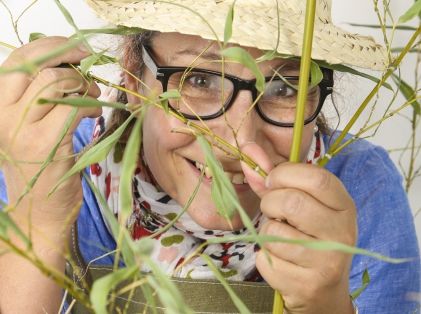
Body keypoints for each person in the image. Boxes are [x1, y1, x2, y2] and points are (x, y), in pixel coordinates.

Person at [0, 0, 419, 313]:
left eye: (282, 88)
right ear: (132, 75)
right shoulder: (44, 165)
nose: (238, 142)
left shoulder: (359, 184)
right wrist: (37, 221)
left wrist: (328, 303)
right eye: (199, 79)